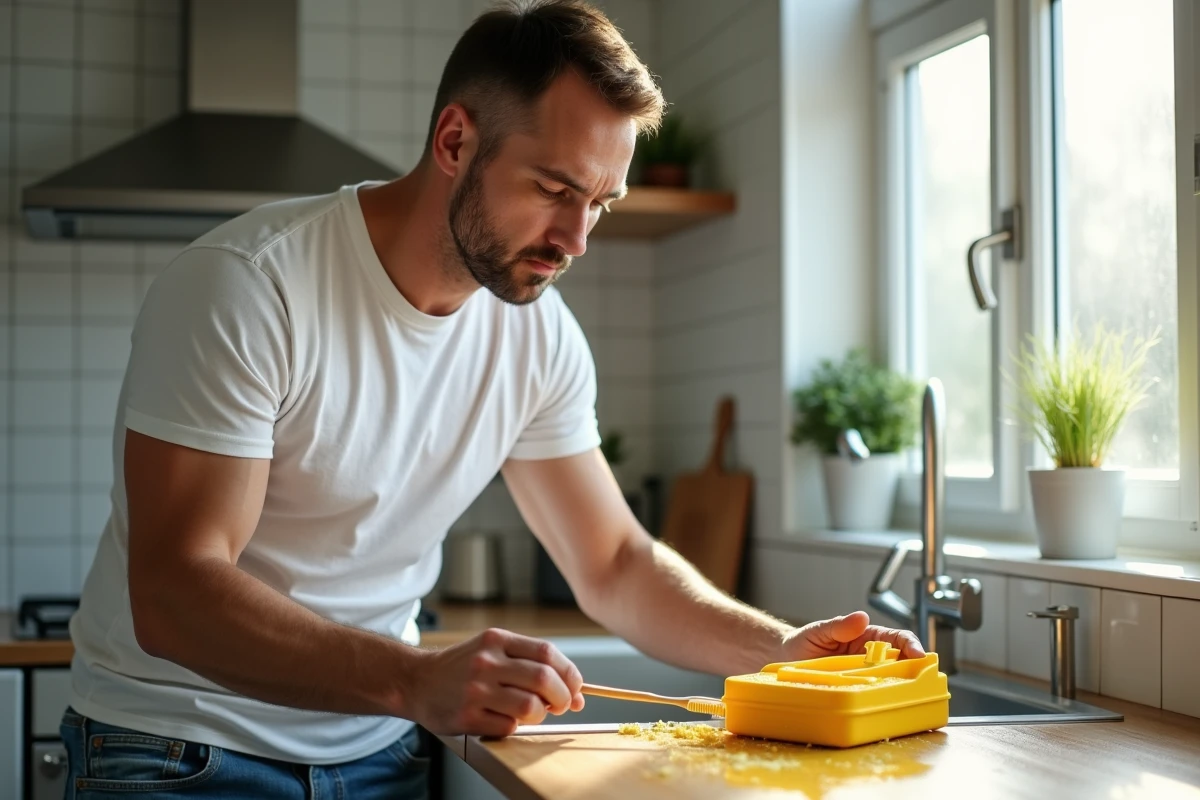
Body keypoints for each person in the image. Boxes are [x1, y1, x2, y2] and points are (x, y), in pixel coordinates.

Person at [59, 1, 923, 797]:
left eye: (601, 204)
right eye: (553, 190)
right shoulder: (249, 288)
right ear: (454, 141)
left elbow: (615, 563)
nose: (576, 240)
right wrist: (413, 678)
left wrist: (778, 652)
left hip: (377, 753)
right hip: (179, 749)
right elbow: (176, 591)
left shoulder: (537, 336)